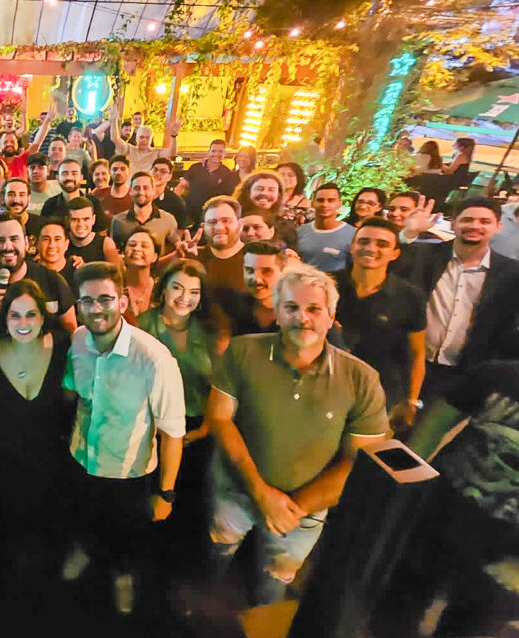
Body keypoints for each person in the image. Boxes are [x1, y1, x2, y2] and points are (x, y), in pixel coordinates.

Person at [206, 265, 388, 605]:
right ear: (277, 313)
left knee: (276, 577)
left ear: (331, 317)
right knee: (218, 550)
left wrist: (292, 508)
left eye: (314, 309)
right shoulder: (242, 352)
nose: (302, 318)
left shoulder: (361, 379)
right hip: (235, 490)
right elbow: (219, 418)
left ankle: (262, 617)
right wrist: (262, 494)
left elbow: (358, 461)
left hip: (304, 511)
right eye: (291, 307)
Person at [63, 261, 186, 614]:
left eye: (105, 299)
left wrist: (166, 493)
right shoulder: (78, 339)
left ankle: (123, 576)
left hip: (127, 472)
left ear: (123, 301)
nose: (96, 308)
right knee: (86, 519)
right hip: (82, 458)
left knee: (126, 537)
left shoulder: (154, 359)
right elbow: (72, 390)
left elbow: (172, 432)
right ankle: (86, 551)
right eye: (87, 301)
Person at [373, 360, 519, 638]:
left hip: (500, 551)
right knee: (395, 616)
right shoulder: (499, 375)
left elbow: (421, 443)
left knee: (468, 626)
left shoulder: (498, 375)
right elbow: (420, 443)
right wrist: (392, 500)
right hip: (439, 522)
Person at [0, 279, 73, 583]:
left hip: (53, 469)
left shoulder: (64, 347)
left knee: (50, 556)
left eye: (31, 314)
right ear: (4, 318)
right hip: (1, 470)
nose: (23, 323)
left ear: (43, 316)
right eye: (15, 315)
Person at [398, 197, 519, 398]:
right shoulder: (425, 255)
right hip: (406, 363)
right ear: (453, 223)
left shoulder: (511, 273)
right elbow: (391, 264)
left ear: (498, 227)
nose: (475, 226)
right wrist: (408, 233)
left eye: (484, 221)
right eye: (467, 220)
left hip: (463, 376)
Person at [137, 259, 216, 549]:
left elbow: (221, 384)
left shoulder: (210, 330)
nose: (185, 298)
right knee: (154, 501)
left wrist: (207, 426)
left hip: (197, 429)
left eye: (194, 291)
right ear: (164, 289)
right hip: (153, 428)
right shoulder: (143, 324)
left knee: (192, 501)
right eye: (178, 288)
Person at [334, 218, 426, 429]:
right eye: (363, 241)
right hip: (325, 387)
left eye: (382, 244)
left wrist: (412, 401)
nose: (371, 248)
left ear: (395, 253)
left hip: (381, 395)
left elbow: (417, 352)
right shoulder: (324, 285)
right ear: (352, 246)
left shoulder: (411, 297)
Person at [214, 240, 289, 340]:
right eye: (249, 270)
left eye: (266, 271)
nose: (256, 279)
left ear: (284, 272)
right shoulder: (232, 306)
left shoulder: (297, 312)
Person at [0, 102, 57, 178]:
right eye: (5, 142)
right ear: (1, 145)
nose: (9, 144)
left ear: (17, 144)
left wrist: (47, 121)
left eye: (12, 142)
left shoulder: (22, 159)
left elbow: (37, 143)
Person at [110, 171, 181, 259]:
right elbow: (114, 254)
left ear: (153, 191)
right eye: (136, 188)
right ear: (130, 191)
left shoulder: (168, 220)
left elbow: (177, 248)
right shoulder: (118, 221)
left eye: (146, 188)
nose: (141, 192)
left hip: (158, 267)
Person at [108, 97, 181, 174]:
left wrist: (174, 136)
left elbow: (171, 152)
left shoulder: (156, 153)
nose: (144, 140)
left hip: (149, 181)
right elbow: (115, 139)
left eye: (147, 138)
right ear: (136, 138)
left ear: (151, 139)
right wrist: (113, 120)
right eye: (141, 137)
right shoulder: (130, 150)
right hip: (131, 181)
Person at [190, 195, 246, 292]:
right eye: (212, 222)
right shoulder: (193, 255)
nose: (219, 227)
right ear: (203, 227)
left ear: (240, 224)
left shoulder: (255, 258)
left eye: (226, 221)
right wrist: (178, 255)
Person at [40, 158, 109, 234]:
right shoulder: (50, 205)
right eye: (65, 173)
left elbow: (102, 234)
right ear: (57, 178)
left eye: (74, 173)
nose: (69, 177)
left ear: (81, 177)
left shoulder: (93, 202)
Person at [297, 183, 356, 272]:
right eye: (320, 200)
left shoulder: (352, 235)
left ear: (339, 204)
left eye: (331, 200)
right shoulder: (300, 232)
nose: (325, 204)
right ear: (313, 203)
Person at [183, 139, 239, 225]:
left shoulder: (227, 173)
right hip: (190, 214)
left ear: (224, 154)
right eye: (213, 151)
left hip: (212, 216)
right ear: (208, 152)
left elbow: (227, 197)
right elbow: (182, 186)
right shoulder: (195, 167)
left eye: (220, 151)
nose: (216, 154)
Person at [65, 197, 123, 268]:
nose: (80, 224)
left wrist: (85, 267)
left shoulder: (105, 243)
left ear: (93, 219)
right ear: (67, 220)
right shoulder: (61, 242)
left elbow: (116, 273)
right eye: (74, 219)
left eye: (86, 219)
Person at [121, 229, 159, 319]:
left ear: (155, 256)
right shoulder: (114, 287)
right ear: (123, 253)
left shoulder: (162, 288)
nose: (137, 249)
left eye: (144, 246)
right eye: (132, 245)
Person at [36, 220, 76, 292]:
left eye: (57, 239)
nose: (51, 245)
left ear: (66, 244)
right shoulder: (28, 273)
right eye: (46, 239)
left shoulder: (77, 275)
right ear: (37, 244)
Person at [150, 158, 191, 229]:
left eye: (163, 172)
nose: (157, 173)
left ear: (170, 176)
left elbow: (180, 229)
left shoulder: (175, 202)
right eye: (155, 170)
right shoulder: (140, 194)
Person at [92, 154, 133, 219]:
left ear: (129, 172)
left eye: (123, 169)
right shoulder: (97, 194)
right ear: (110, 172)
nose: (118, 172)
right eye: (115, 169)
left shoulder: (134, 196)